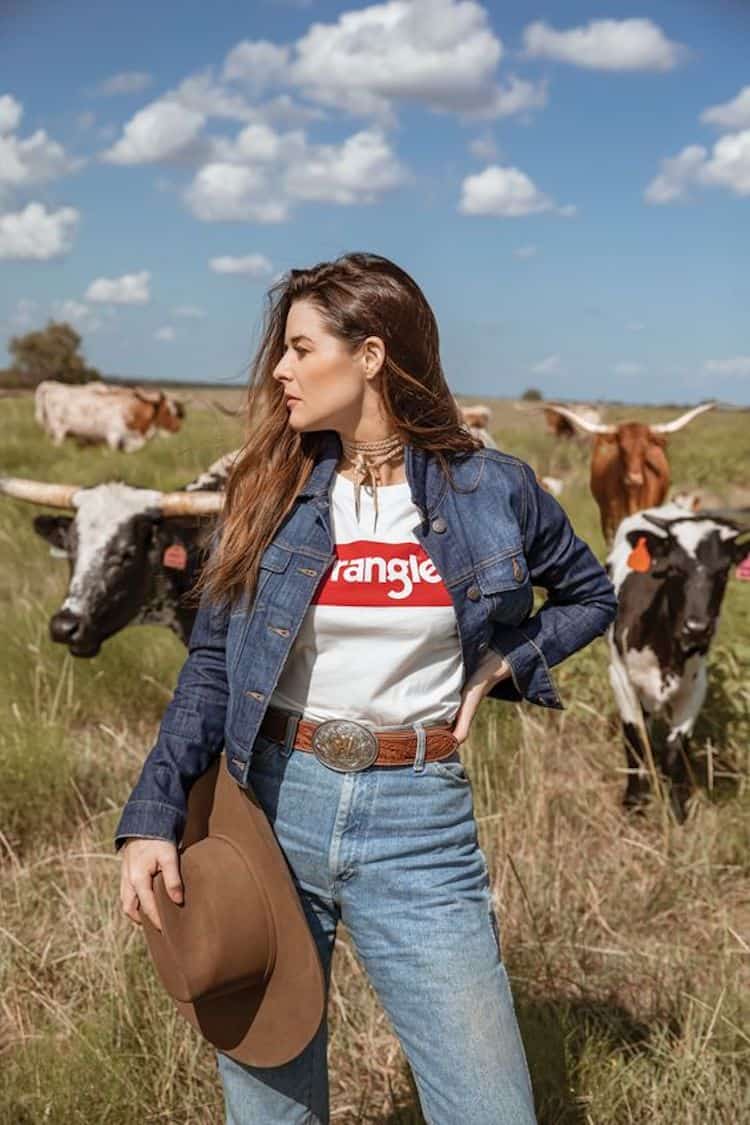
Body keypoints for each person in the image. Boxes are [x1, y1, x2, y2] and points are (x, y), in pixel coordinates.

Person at [116, 251, 618, 1124]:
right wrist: (153, 813)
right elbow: (210, 661)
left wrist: (507, 661)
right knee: (271, 1107)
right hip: (268, 808)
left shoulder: (492, 489)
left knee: (490, 1108)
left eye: (302, 348)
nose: (280, 368)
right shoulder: (268, 486)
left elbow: (590, 593)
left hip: (419, 826)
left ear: (373, 355)